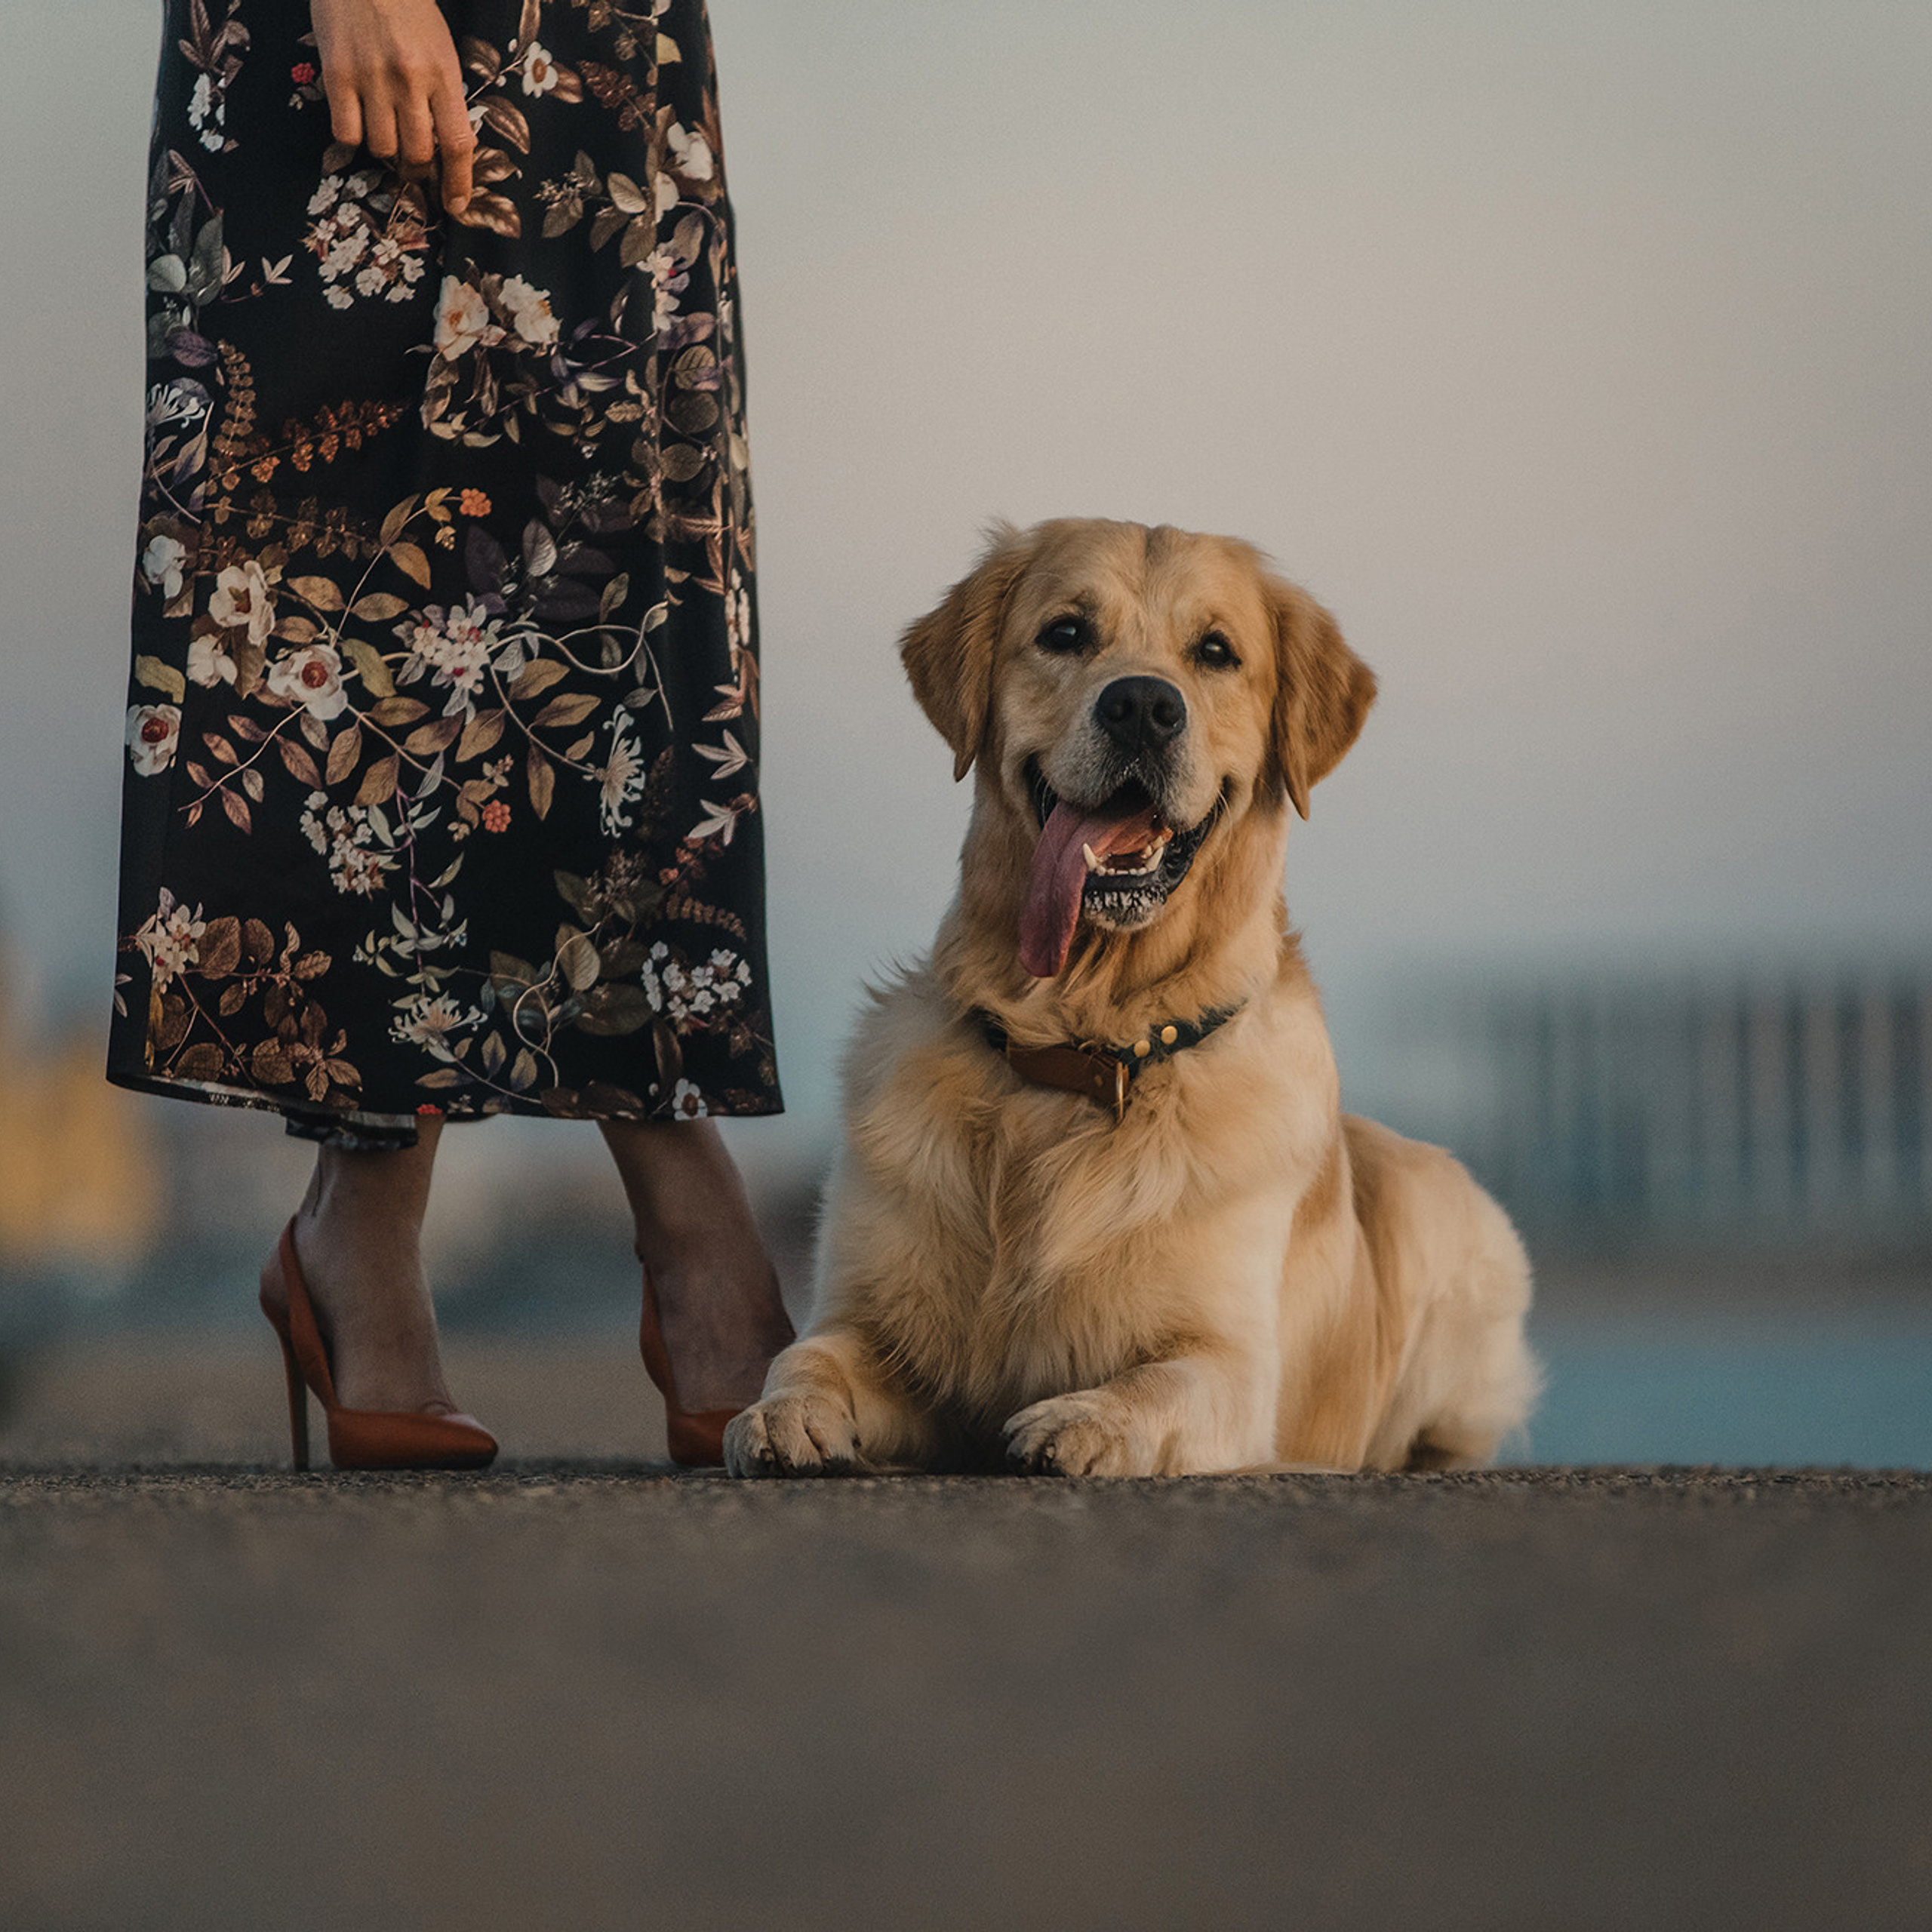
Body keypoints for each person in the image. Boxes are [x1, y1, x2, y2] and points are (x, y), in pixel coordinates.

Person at [109, 0, 793, 1467]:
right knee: (357, 590)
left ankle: (365, 1229)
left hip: (609, 48)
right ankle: (687, 1220)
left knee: (603, 609)